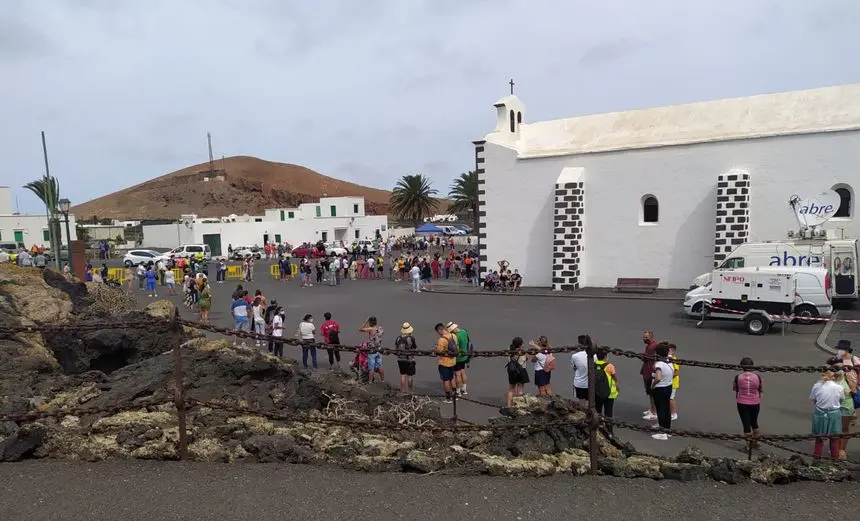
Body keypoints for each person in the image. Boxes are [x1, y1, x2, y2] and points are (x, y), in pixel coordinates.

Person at [810, 364, 844, 460]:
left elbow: (813, 400)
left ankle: (817, 460)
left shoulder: (817, 386)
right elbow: (841, 400)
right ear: (834, 375)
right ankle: (835, 460)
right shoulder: (839, 387)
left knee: (819, 439)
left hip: (820, 413)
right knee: (834, 440)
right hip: (834, 414)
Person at [734, 357, 763, 446]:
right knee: (754, 423)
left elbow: (735, 388)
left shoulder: (738, 377)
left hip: (742, 403)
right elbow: (760, 389)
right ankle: (756, 442)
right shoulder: (758, 377)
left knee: (746, 425)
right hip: (755, 403)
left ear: (742, 366)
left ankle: (748, 446)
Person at [650, 343, 674, 440]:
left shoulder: (659, 364)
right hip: (669, 386)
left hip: (660, 388)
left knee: (661, 409)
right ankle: (668, 430)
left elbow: (658, 377)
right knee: (666, 408)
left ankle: (662, 432)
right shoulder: (669, 361)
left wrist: (653, 385)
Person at [594, 346, 618, 436]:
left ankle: (599, 429)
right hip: (609, 393)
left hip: (597, 392)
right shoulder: (609, 366)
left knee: (598, 411)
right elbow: (615, 378)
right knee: (608, 413)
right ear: (605, 356)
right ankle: (610, 432)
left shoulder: (593, 364)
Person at [435, 323, 458, 403]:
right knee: (452, 378)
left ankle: (448, 398)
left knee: (446, 380)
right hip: (453, 361)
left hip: (444, 362)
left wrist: (435, 348)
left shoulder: (441, 340)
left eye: (438, 332)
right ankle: (455, 395)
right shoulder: (453, 336)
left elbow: (439, 351)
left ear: (440, 330)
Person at [446, 322, 470, 396]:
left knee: (457, 374)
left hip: (458, 358)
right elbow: (468, 341)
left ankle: (458, 391)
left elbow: (454, 347)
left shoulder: (455, 336)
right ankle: (464, 389)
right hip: (465, 355)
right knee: (463, 371)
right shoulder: (464, 332)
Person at [640, 331, 660, 421]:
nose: (644, 339)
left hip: (650, 373)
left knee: (652, 393)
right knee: (649, 393)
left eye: (646, 338)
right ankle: (652, 409)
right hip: (646, 371)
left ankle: (654, 412)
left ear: (651, 337)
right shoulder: (650, 346)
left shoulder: (654, 346)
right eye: (643, 337)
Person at [359, 317, 384, 383]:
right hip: (379, 349)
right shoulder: (380, 328)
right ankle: (382, 381)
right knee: (380, 366)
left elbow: (360, 329)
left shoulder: (370, 329)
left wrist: (365, 322)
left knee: (371, 367)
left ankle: (370, 382)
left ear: (370, 322)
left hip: (372, 350)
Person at [395, 322, 417, 393]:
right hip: (409, 359)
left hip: (400, 359)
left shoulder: (398, 338)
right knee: (410, 376)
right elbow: (414, 347)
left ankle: (402, 390)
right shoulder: (411, 338)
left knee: (402, 375)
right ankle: (410, 391)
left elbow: (396, 347)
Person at [505, 337, 528, 407]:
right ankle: (518, 405)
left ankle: (509, 405)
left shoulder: (509, 350)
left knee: (511, 388)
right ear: (520, 344)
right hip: (521, 370)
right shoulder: (522, 351)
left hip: (511, 370)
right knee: (520, 388)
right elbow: (526, 358)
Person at [570, 335, 590, 403]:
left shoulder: (575, 356)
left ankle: (581, 413)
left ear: (579, 344)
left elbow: (574, 368)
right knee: (591, 400)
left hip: (579, 383)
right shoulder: (594, 355)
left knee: (581, 401)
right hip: (591, 384)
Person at [669, 344, 680, 421]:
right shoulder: (669, 359)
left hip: (673, 383)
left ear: (673, 351)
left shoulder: (674, 360)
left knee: (671, 398)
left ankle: (674, 413)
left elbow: (676, 372)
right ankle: (670, 412)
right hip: (669, 382)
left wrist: (667, 378)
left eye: (669, 350)